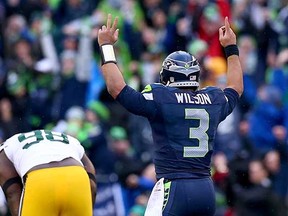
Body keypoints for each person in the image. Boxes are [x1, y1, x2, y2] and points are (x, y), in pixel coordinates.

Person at [98, 14, 243, 216]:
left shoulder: (161, 97)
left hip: (174, 187)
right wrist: (231, 48)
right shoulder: (213, 99)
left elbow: (117, 89)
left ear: (166, 76)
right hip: (205, 188)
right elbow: (236, 88)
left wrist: (106, 46)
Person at [0, 129, 96, 216]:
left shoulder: (5, 150)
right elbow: (91, 179)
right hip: (77, 178)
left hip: (41, 179)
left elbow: (12, 192)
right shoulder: (69, 139)